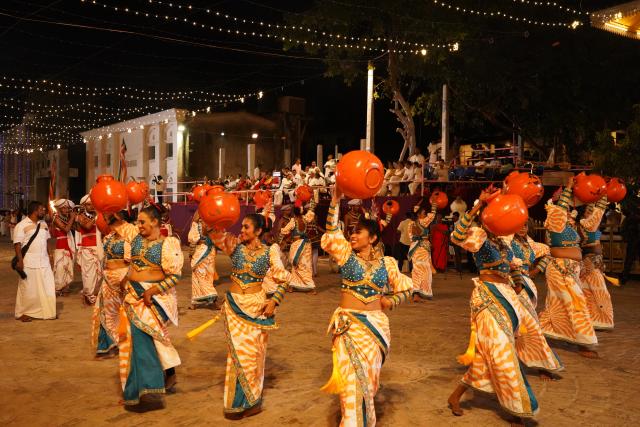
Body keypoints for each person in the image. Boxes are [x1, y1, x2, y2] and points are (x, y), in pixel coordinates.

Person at [448, 189, 543, 426]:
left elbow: (513, 266)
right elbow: (456, 236)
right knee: (502, 349)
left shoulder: (502, 242)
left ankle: (455, 396)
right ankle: (516, 407)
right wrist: (478, 204)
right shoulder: (479, 236)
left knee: (488, 352)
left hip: (507, 297)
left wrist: (519, 283)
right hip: (487, 298)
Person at [320, 187, 413, 426]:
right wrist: (335, 200)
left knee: (368, 382)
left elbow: (408, 287)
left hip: (375, 328)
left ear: (372, 238)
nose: (352, 235)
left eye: (358, 232)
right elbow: (332, 231)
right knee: (351, 381)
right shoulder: (346, 255)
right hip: (348, 325)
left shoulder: (388, 263)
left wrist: (391, 300)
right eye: (351, 231)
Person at [209, 214, 291, 419]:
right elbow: (212, 233)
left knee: (252, 355)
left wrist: (274, 301)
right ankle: (236, 402)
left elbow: (285, 279)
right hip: (235, 306)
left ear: (259, 231)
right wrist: (211, 212)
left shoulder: (269, 252)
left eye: (246, 227)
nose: (242, 230)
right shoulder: (234, 246)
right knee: (236, 354)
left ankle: (252, 401)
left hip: (255, 307)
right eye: (242, 227)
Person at [107, 205, 184, 406]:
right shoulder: (136, 241)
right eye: (138, 222)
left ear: (155, 222)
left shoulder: (168, 244)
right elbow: (134, 265)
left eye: (142, 222)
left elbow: (175, 276)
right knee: (141, 341)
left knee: (143, 340)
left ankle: (143, 390)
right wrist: (126, 279)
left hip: (155, 299)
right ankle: (164, 376)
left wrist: (152, 291)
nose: (138, 225)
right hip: (133, 294)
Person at [537, 178, 599, 358]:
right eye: (564, 210)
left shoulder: (567, 225)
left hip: (570, 270)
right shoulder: (555, 222)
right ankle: (585, 343)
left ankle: (539, 331)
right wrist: (569, 188)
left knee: (557, 304)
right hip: (560, 270)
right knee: (576, 304)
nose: (568, 214)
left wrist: (598, 198)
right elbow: (561, 209)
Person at [511, 222, 564, 380]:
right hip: (509, 286)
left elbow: (548, 252)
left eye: (525, 226)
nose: (522, 228)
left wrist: (536, 270)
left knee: (530, 325)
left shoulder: (530, 244)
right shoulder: (506, 241)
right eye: (518, 225)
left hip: (524, 286)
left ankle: (542, 363)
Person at [91, 210, 130, 358]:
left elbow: (132, 262)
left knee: (125, 312)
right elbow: (105, 261)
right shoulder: (108, 237)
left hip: (124, 279)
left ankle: (125, 343)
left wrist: (125, 280)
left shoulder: (130, 238)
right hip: (108, 278)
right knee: (107, 313)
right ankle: (110, 345)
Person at [13, 201, 56, 322]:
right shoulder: (21, 225)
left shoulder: (43, 224)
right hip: (29, 261)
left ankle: (47, 312)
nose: (44, 211)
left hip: (44, 260)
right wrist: (20, 261)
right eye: (42, 209)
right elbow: (17, 244)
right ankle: (23, 313)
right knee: (28, 288)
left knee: (47, 286)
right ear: (35, 211)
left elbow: (47, 241)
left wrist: (50, 255)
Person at [578, 197, 613, 330]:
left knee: (591, 292)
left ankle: (595, 320)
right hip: (588, 262)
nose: (592, 213)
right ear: (583, 213)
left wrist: (600, 261)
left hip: (595, 262)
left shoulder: (594, 225)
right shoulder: (584, 223)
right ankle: (598, 320)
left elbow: (598, 244)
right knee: (596, 291)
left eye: (593, 211)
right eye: (589, 210)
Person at [280, 202, 317, 292]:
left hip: (297, 244)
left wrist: (282, 237)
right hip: (306, 245)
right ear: (301, 212)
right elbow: (311, 214)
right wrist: (312, 205)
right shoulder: (305, 218)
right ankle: (309, 287)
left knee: (295, 265)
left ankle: (293, 286)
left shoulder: (293, 221)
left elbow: (284, 231)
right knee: (306, 266)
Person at [75, 195, 103, 305]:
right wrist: (97, 216)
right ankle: (88, 295)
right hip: (87, 249)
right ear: (84, 206)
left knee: (99, 273)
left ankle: (94, 294)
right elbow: (87, 227)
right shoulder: (80, 217)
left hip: (98, 247)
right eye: (88, 204)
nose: (91, 206)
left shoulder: (98, 217)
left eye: (93, 204)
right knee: (89, 273)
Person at [187, 211, 218, 309]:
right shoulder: (213, 225)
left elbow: (192, 241)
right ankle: (197, 301)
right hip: (209, 252)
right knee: (206, 276)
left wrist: (190, 255)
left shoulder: (197, 225)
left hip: (201, 252)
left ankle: (212, 297)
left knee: (200, 276)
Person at [409, 200, 437, 301]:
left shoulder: (411, 224)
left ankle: (416, 292)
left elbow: (410, 238)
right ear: (419, 214)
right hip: (422, 249)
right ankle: (424, 291)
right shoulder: (423, 222)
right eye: (424, 213)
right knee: (426, 271)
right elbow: (432, 215)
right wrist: (434, 204)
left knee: (416, 270)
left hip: (414, 248)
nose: (426, 215)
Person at [51, 199, 77, 296]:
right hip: (61, 244)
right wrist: (72, 218)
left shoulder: (67, 218)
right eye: (64, 208)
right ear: (59, 209)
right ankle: (58, 287)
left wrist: (74, 218)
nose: (66, 210)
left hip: (69, 242)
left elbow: (75, 228)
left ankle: (66, 286)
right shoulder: (56, 218)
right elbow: (66, 229)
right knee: (61, 266)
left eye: (68, 208)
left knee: (68, 264)